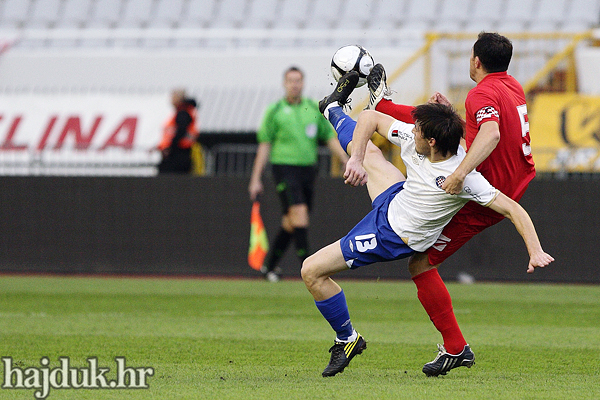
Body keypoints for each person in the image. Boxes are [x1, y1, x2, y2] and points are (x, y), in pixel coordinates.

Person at [302, 71, 553, 378]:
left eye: (418, 130)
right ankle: (332, 108)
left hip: (390, 236)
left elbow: (513, 209)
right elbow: (369, 117)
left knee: (311, 271)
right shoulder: (418, 138)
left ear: (432, 141)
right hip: (396, 199)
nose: (412, 131)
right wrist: (352, 159)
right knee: (366, 151)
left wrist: (535, 250)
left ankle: (347, 339)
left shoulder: (464, 177)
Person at [365, 32, 536, 376]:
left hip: (485, 192)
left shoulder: (481, 92)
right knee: (436, 124)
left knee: (421, 264)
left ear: (476, 61)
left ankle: (456, 349)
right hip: (513, 178)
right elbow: (484, 129)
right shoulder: (512, 85)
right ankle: (383, 106)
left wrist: (459, 174)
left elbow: (490, 134)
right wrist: (452, 115)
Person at [248, 66, 349, 282]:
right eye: (291, 80)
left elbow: (329, 137)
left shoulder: (313, 108)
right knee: (300, 214)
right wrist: (256, 178)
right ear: (284, 84)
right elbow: (264, 145)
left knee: (291, 221)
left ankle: (269, 266)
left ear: (303, 83)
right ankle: (310, 268)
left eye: (298, 80)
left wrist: (345, 159)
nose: (295, 84)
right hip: (284, 168)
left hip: (308, 170)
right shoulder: (274, 110)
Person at [158, 89, 199, 174]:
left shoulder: (183, 113)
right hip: (179, 151)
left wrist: (170, 147)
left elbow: (180, 131)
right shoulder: (185, 111)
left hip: (178, 152)